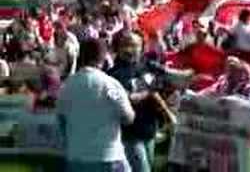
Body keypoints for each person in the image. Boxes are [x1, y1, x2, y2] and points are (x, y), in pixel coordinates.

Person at [57, 39, 135, 172]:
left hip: (77, 157)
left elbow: (61, 119)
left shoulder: (66, 86)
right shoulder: (110, 84)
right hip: (108, 156)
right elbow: (128, 117)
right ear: (103, 58)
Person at [109, 33, 175, 172]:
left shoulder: (146, 67)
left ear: (142, 48)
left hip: (149, 130)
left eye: (134, 45)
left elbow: (159, 89)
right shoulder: (113, 74)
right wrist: (148, 92)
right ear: (118, 48)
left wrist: (168, 114)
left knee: (148, 167)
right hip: (129, 134)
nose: (129, 49)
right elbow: (128, 98)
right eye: (125, 44)